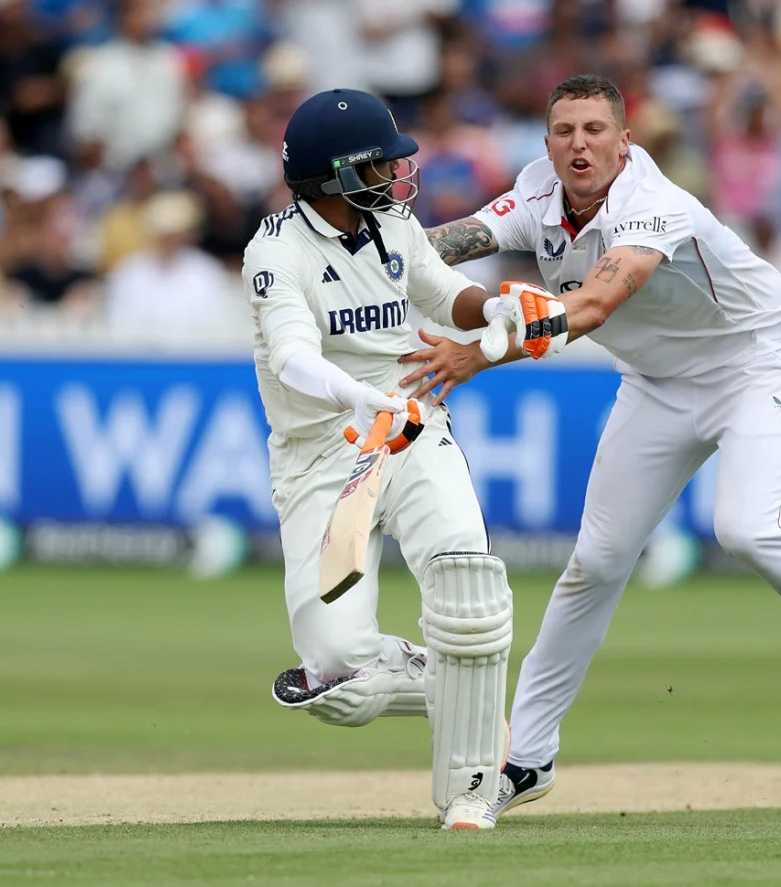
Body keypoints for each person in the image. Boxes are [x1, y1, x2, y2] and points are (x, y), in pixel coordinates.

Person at [403, 74, 781, 817]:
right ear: (548, 143)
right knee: (594, 561)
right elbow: (451, 244)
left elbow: (590, 306)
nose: (579, 144)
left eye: (596, 130)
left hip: (757, 361)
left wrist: (476, 353)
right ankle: (525, 756)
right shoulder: (536, 193)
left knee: (747, 526)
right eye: (565, 131)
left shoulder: (653, 206)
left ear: (626, 142)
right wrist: (370, 253)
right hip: (658, 381)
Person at [243, 88, 514, 830]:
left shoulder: (393, 224)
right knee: (338, 678)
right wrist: (352, 398)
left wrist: (494, 310)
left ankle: (472, 792)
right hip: (323, 457)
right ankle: (453, 683)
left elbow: (446, 291)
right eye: (380, 165)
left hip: (413, 427)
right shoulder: (274, 251)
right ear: (335, 177)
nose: (397, 177)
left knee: (465, 577)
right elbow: (293, 356)